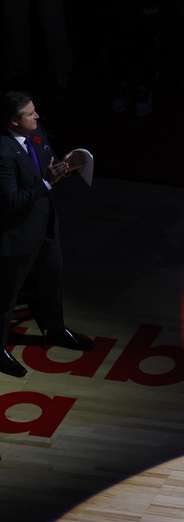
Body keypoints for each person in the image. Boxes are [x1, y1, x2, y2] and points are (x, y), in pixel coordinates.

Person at [1, 90, 93, 378]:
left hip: (45, 227)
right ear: (14, 122)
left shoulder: (37, 135)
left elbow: (47, 165)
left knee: (51, 281)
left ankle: (54, 330)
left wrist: (63, 167)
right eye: (30, 114)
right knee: (6, 297)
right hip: (16, 237)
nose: (37, 116)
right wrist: (48, 182)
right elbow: (11, 202)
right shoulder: (3, 153)